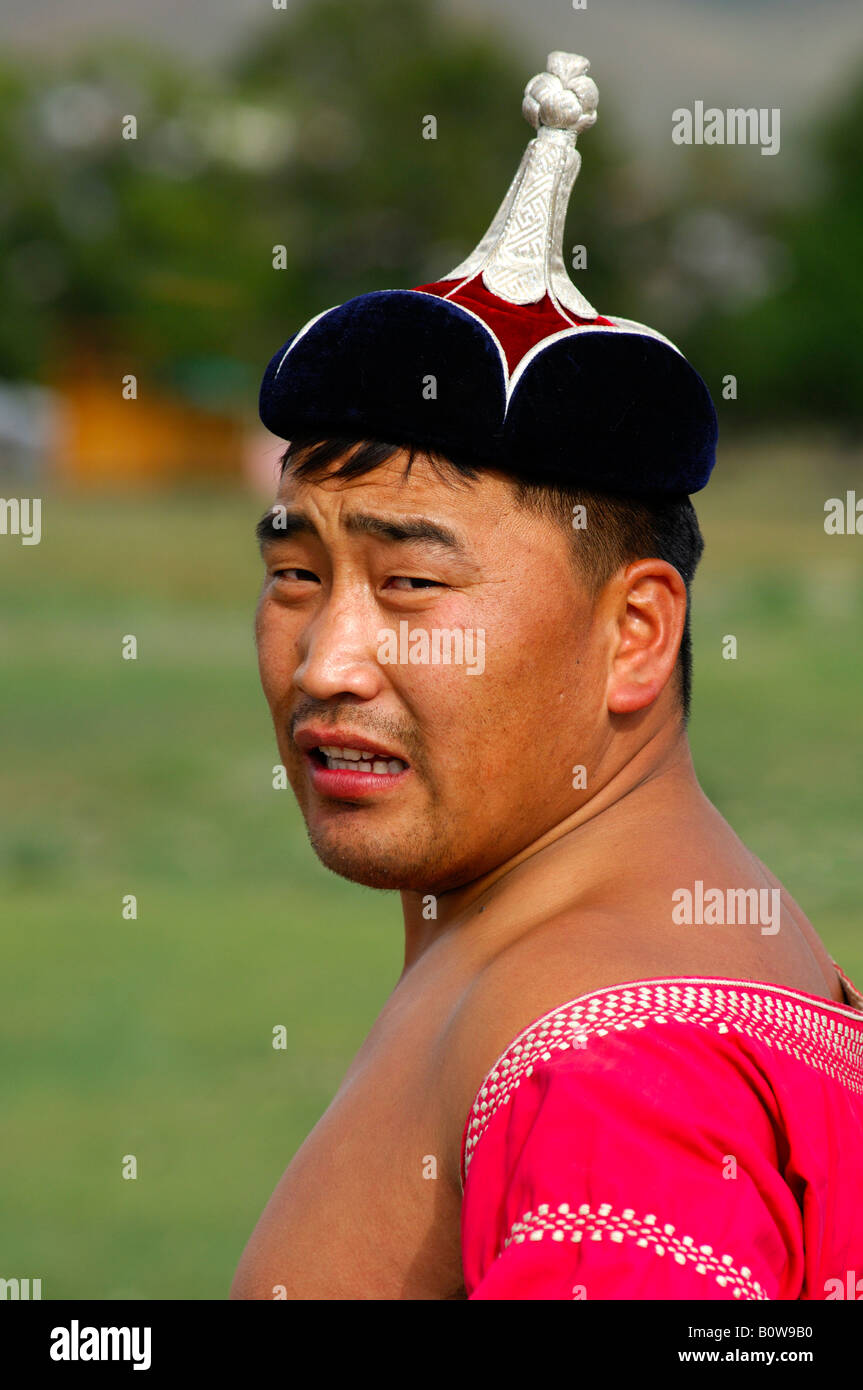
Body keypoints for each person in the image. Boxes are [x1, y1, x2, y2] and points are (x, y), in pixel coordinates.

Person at [231, 53, 863, 1300]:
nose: (326, 660)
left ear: (633, 633)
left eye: (411, 584)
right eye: (298, 572)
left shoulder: (620, 1067)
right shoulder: (557, 957)